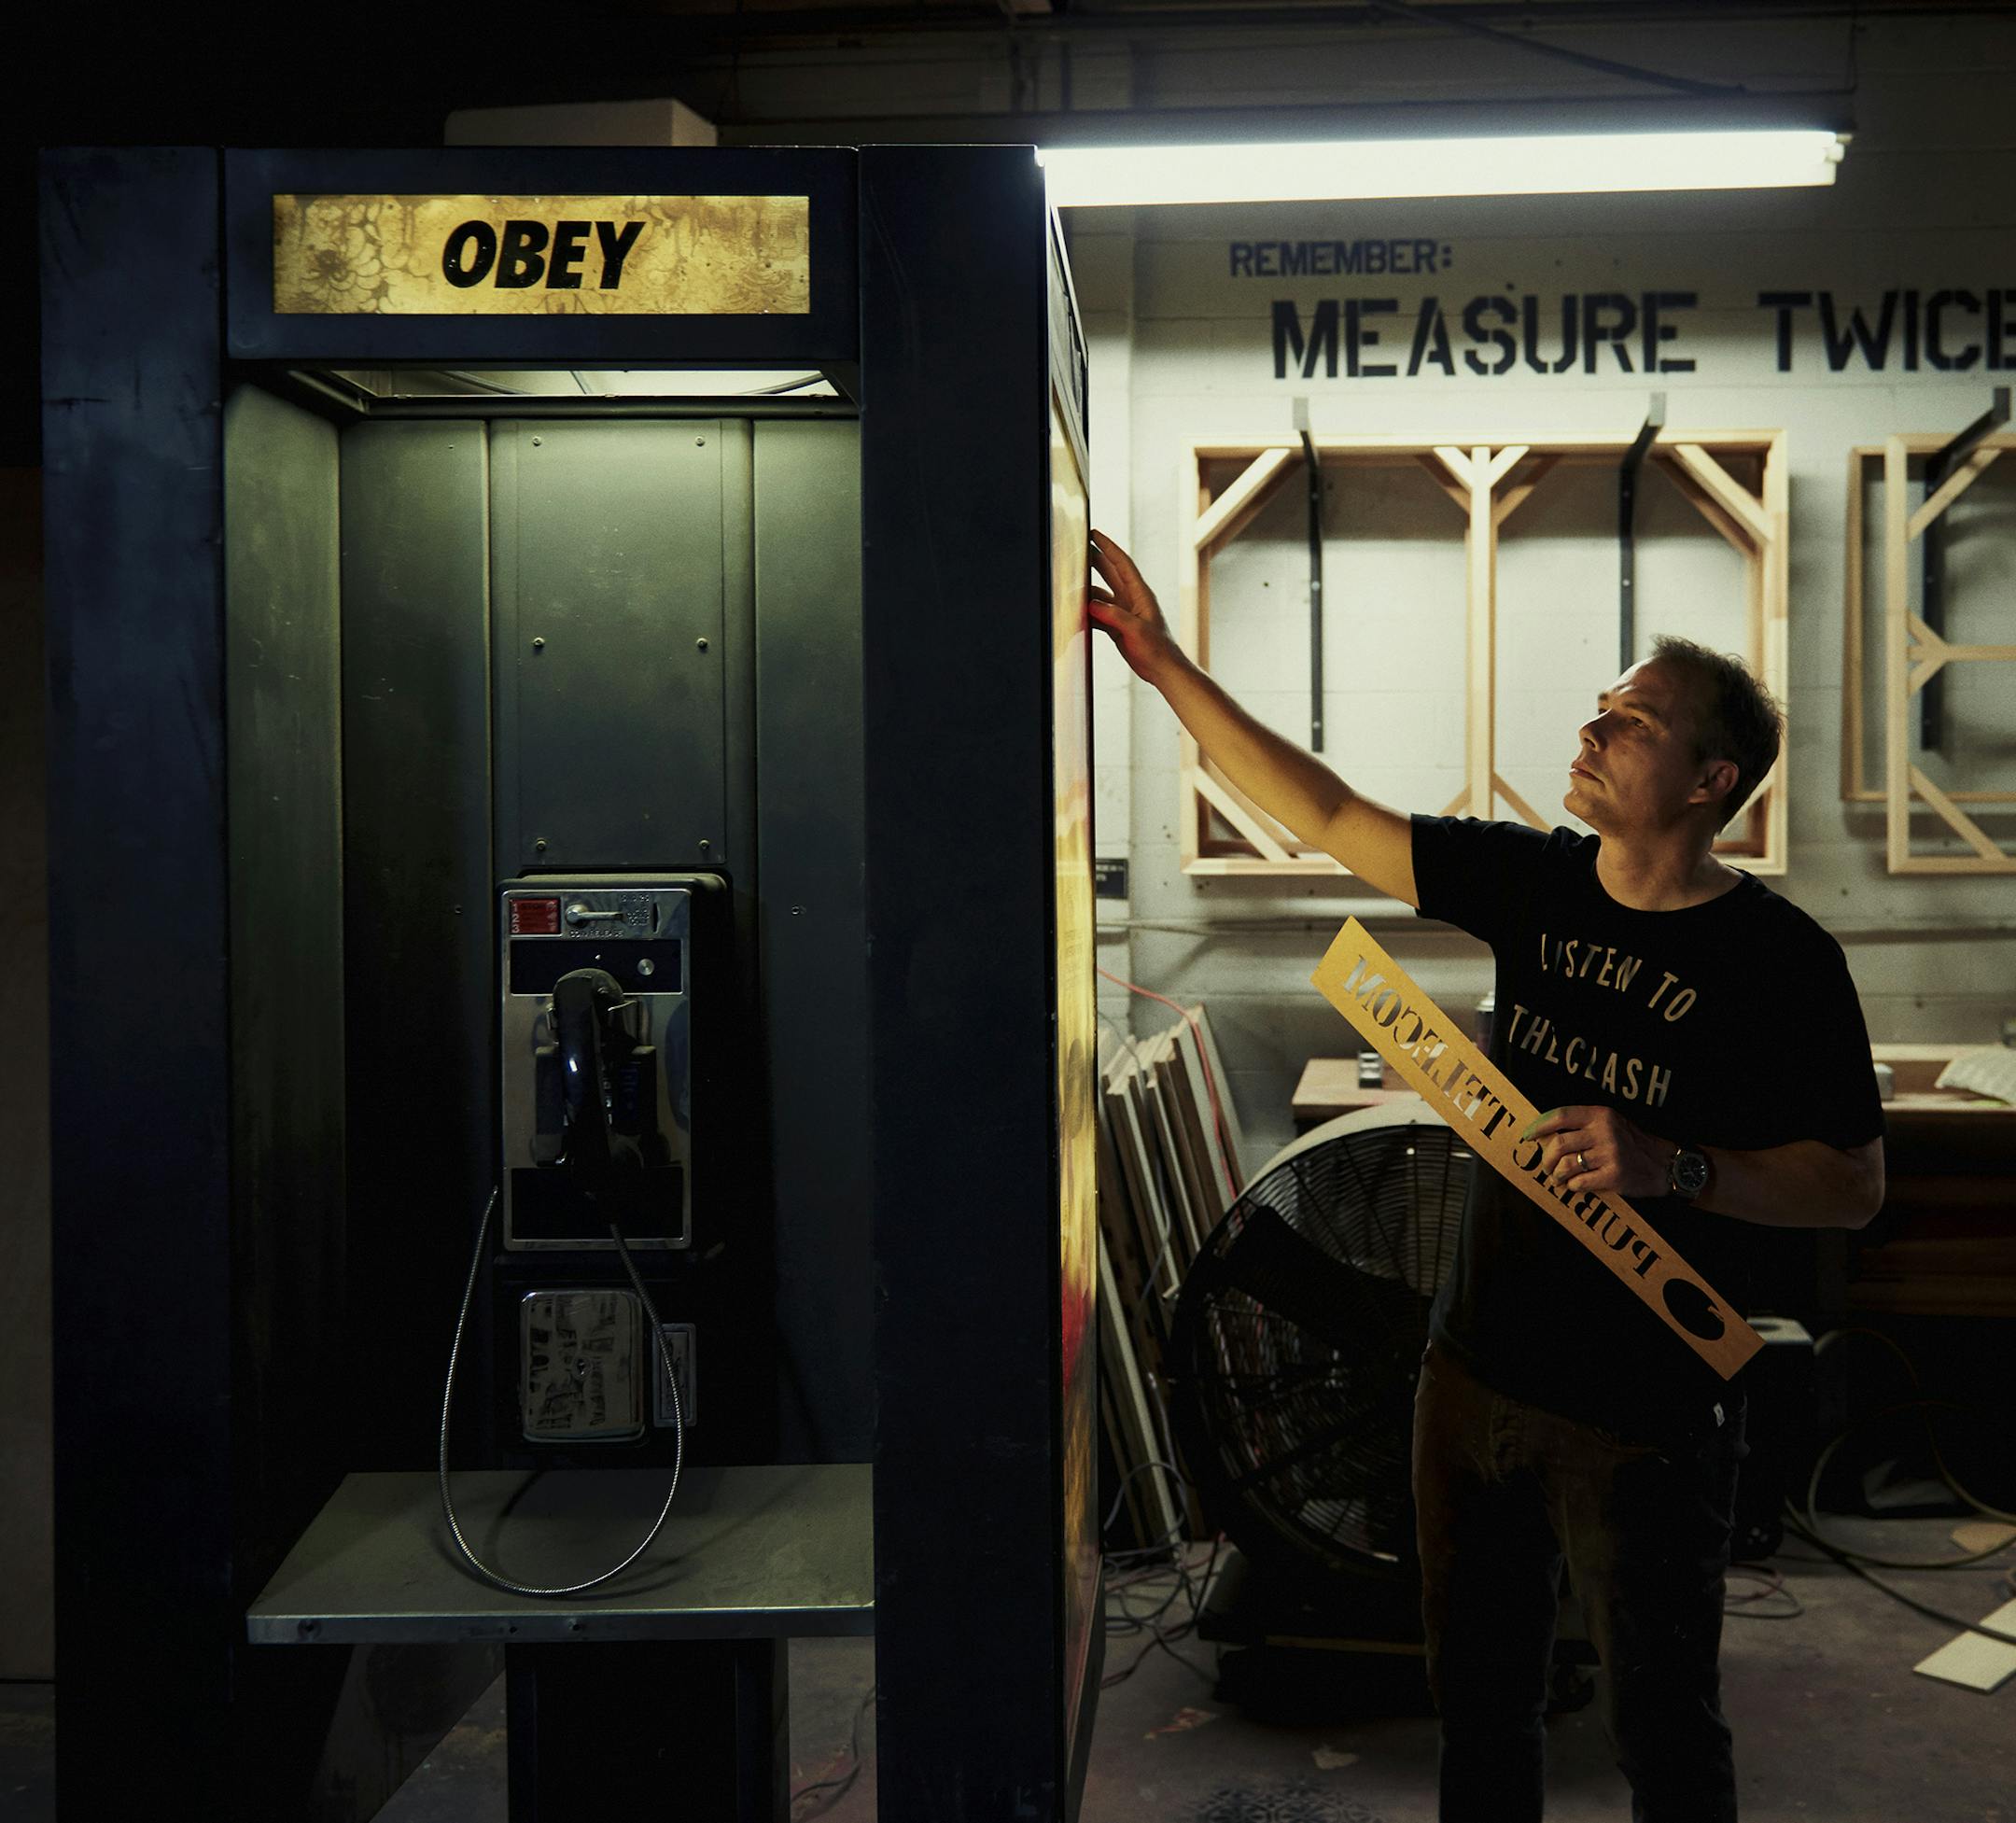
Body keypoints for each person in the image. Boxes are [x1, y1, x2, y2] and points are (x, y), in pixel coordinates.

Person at [1085, 526, 1885, 1823]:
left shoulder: (1784, 962)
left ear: (1710, 779)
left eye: (1633, 721)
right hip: (1469, 1377)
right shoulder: (1536, 881)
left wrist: (1678, 1166)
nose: (1593, 729)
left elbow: (1851, 1186)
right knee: (1478, 1709)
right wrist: (1161, 661)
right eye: (1603, 707)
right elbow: (1329, 814)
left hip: (1646, 1414)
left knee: (1662, 1731)